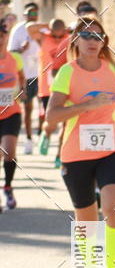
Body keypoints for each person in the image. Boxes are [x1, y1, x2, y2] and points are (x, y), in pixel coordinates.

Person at [46, 17, 115, 268]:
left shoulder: (111, 68)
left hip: (111, 150)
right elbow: (52, 116)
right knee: (87, 220)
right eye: (86, 35)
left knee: (113, 209)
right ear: (76, 41)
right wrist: (85, 105)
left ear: (104, 42)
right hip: (76, 154)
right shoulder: (67, 73)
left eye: (98, 36)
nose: (92, 41)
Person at [27, 17, 69, 164]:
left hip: (66, 86)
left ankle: (59, 155)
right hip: (47, 88)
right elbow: (30, 28)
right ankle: (46, 133)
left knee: (66, 123)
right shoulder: (44, 38)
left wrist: (67, 29)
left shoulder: (69, 38)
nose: (58, 38)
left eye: (60, 35)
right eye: (55, 35)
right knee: (51, 121)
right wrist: (49, 24)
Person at [0, 17, 25, 210]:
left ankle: (7, 186)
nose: (1, 40)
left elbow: (22, 76)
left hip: (11, 112)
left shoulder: (14, 58)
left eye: (3, 36)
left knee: (9, 152)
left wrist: (23, 89)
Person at [8, 2, 40, 154]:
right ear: (25, 15)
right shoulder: (18, 30)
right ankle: (28, 139)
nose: (33, 16)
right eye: (30, 14)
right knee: (27, 108)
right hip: (24, 75)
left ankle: (40, 133)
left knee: (44, 107)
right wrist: (22, 49)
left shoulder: (43, 28)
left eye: (35, 13)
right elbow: (10, 52)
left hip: (41, 74)